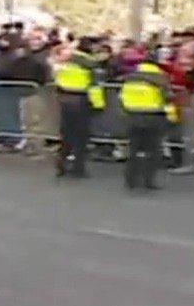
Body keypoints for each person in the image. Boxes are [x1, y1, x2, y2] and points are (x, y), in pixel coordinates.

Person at [118, 57, 175, 192]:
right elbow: (168, 98)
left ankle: (130, 179)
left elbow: (121, 97)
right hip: (153, 117)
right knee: (153, 150)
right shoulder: (160, 78)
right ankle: (148, 180)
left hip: (132, 116)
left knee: (134, 149)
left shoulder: (130, 77)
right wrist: (171, 118)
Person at [52, 39, 105, 178]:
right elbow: (94, 87)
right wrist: (98, 105)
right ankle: (78, 168)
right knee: (81, 136)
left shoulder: (64, 63)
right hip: (82, 101)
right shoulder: (89, 66)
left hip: (65, 99)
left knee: (66, 135)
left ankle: (61, 164)